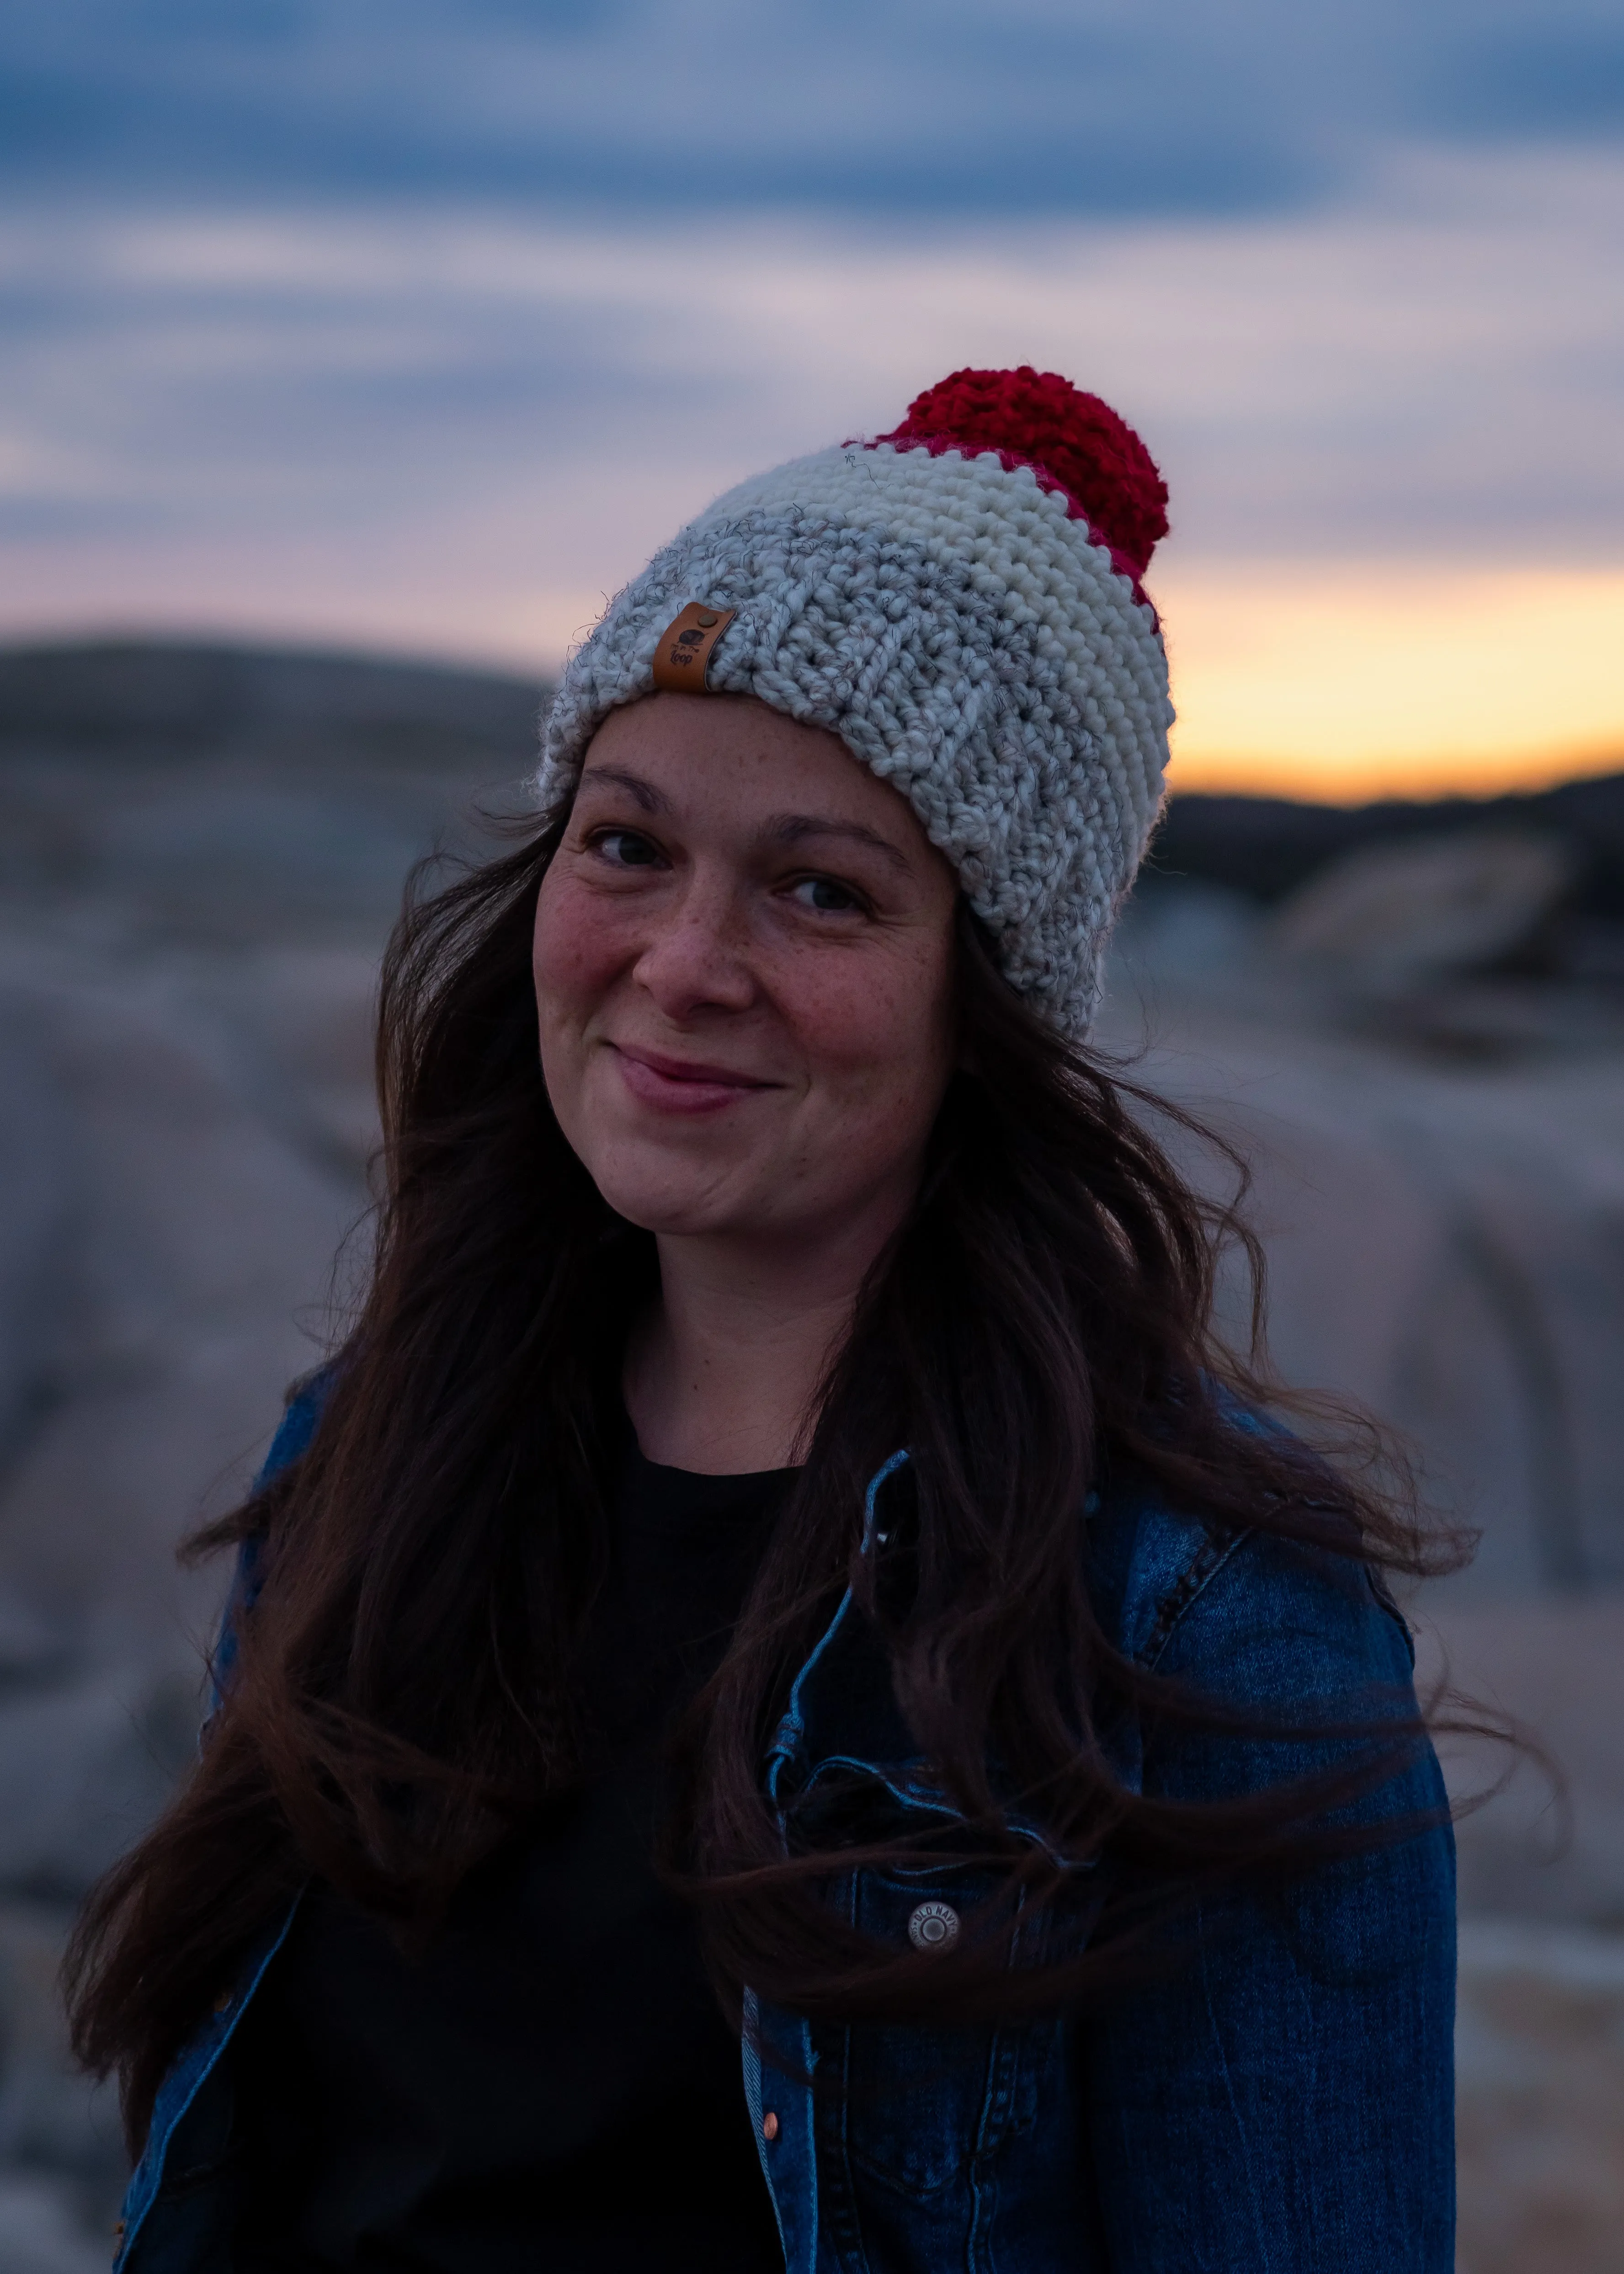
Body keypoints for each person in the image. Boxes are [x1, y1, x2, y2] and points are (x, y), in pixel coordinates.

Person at [69, 367, 1458, 2273]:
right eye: (628, 844)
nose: (683, 966)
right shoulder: (379, 1445)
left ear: (990, 1002)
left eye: (820, 890)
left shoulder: (1207, 1613)